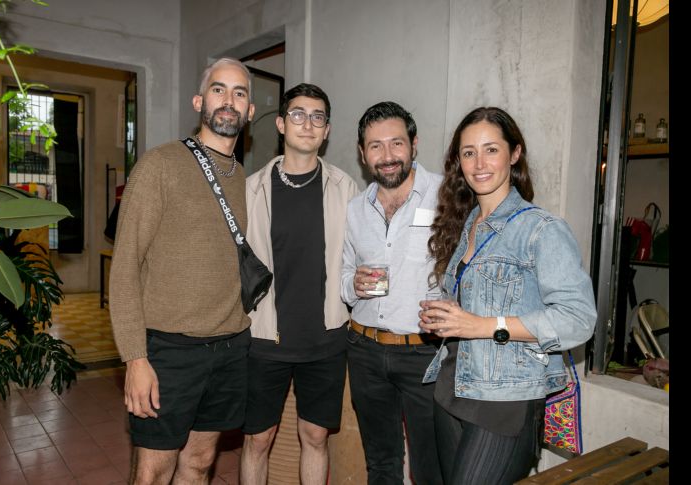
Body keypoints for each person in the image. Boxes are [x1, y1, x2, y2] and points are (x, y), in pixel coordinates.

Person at [419, 106, 597, 484]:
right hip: (452, 386)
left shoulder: (541, 229)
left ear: (514, 154)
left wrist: (483, 325)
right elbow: (478, 307)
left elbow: (578, 319)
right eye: (468, 152)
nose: (479, 163)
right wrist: (446, 318)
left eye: (491, 149)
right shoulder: (467, 223)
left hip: (505, 401)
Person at [108, 57, 255, 484]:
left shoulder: (245, 178)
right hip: (169, 352)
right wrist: (135, 358)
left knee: (201, 460)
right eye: (218, 89)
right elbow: (125, 267)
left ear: (248, 112)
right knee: (154, 470)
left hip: (230, 349)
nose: (228, 100)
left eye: (239, 93)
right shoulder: (160, 166)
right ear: (199, 102)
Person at [240, 83, 358, 485]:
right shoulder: (250, 189)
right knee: (258, 439)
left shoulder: (346, 190)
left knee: (315, 436)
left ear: (326, 131)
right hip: (263, 337)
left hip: (325, 338)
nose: (308, 124)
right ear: (280, 124)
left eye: (318, 117)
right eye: (298, 114)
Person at [341, 101, 444, 485]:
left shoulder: (448, 195)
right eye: (375, 146)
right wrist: (352, 284)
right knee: (381, 463)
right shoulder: (355, 209)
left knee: (429, 466)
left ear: (414, 144)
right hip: (366, 350)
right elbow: (343, 273)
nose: (387, 156)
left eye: (396, 144)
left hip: (425, 352)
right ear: (362, 153)